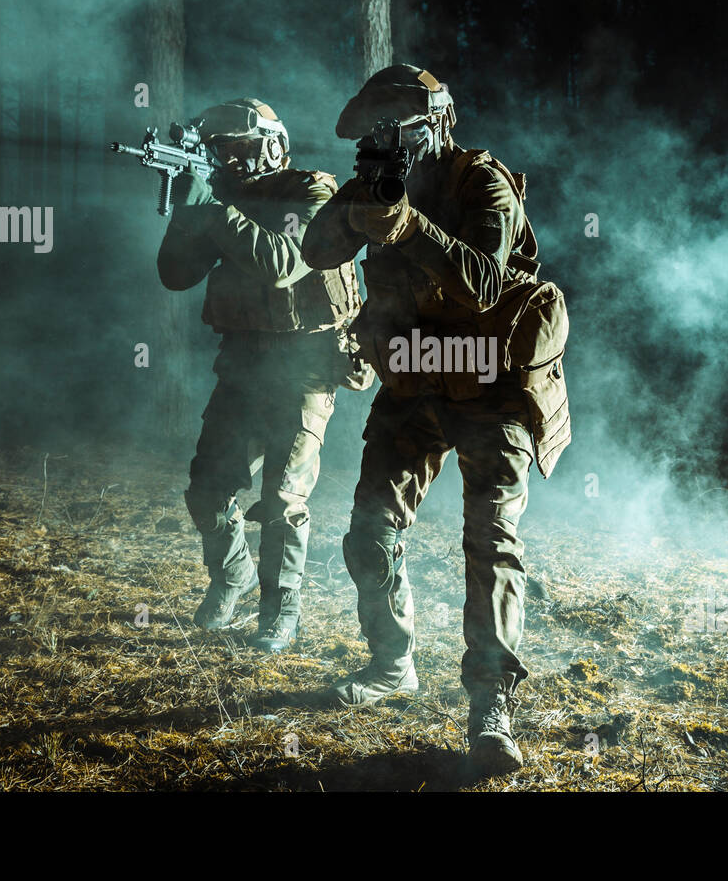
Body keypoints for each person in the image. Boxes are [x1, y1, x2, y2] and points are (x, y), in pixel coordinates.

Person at [301, 66, 571, 774]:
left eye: (399, 131)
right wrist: (361, 199)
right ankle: (393, 664)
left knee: (490, 543)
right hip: (415, 383)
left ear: (439, 124)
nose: (387, 142)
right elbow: (315, 251)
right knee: (369, 531)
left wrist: (407, 223)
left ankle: (491, 705)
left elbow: (483, 281)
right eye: (376, 134)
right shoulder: (381, 180)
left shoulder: (480, 183)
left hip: (489, 383)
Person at [157, 97, 367, 652]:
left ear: (273, 146)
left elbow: (281, 265)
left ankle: (281, 609)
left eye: (242, 150)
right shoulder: (223, 197)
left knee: (282, 498)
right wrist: (190, 208)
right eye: (222, 153)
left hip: (306, 366)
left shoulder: (313, 193)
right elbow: (174, 274)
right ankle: (232, 578)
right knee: (208, 490)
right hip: (244, 364)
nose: (233, 163)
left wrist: (215, 206)